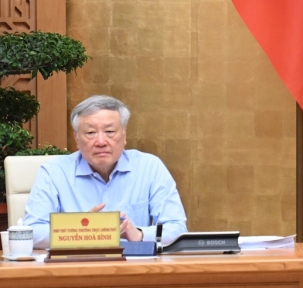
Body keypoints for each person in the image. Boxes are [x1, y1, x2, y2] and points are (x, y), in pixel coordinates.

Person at [23, 95, 187, 249]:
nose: (101, 142)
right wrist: (78, 230)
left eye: (109, 132)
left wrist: (139, 234)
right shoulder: (54, 172)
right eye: (90, 133)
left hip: (134, 269)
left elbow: (177, 228)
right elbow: (31, 232)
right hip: (76, 268)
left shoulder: (150, 167)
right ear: (77, 139)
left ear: (124, 135)